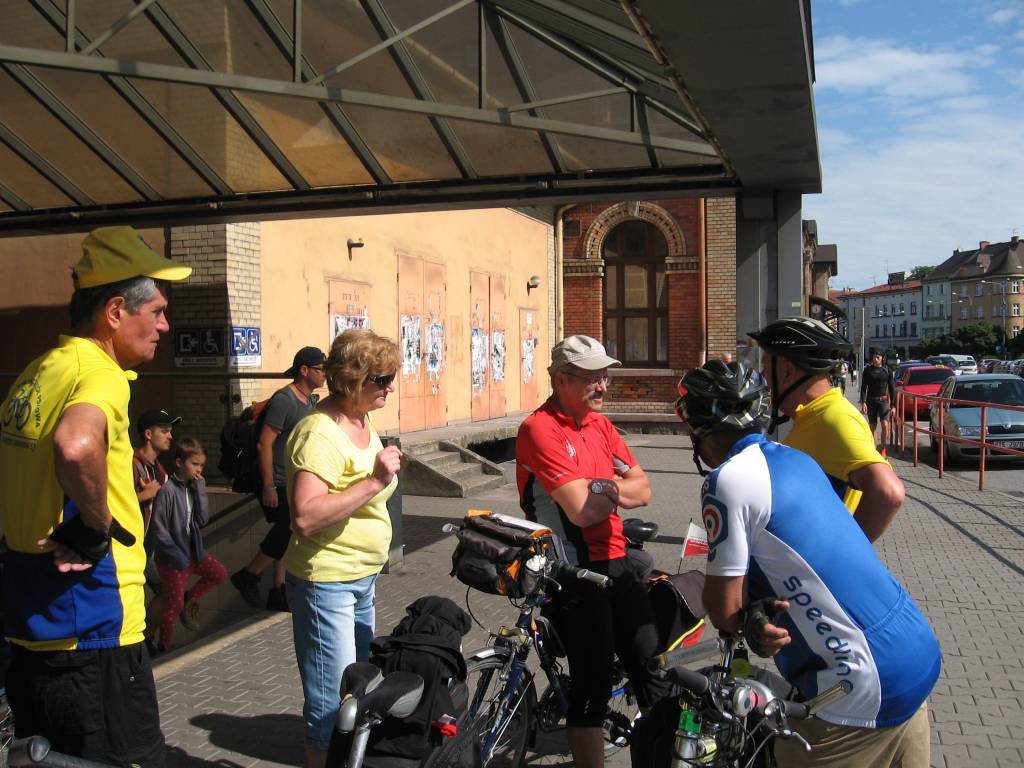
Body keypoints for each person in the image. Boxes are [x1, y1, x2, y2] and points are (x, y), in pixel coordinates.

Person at [674, 360, 940, 768]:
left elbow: (724, 611)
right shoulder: (798, 459)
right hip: (913, 650)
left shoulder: (726, 481)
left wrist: (744, 614)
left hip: (861, 681)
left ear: (699, 430)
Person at [0, 226, 191, 767]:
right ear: (114, 312)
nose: (164, 324)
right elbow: (75, 444)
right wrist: (94, 522)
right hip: (95, 627)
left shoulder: (39, 372)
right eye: (156, 311)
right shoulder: (101, 375)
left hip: (34, 620)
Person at [515, 334, 667, 768]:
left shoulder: (600, 425)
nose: (603, 386)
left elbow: (645, 488)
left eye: (605, 377)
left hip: (617, 559)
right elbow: (582, 512)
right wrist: (614, 491)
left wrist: (604, 488)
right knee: (592, 686)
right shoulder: (539, 429)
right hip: (572, 571)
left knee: (650, 667)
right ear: (562, 379)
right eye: (592, 378)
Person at [283, 329, 401, 768]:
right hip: (327, 583)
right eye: (382, 379)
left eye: (391, 377)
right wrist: (374, 481)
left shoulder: (361, 418)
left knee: (356, 690)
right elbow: (306, 517)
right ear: (352, 380)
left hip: (360, 577)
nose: (390, 387)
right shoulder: (319, 433)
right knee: (330, 703)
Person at [749, 319, 904, 542]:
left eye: (765, 367)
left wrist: (844, 553)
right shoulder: (812, 415)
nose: (763, 377)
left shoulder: (835, 418)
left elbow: (888, 492)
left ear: (787, 370)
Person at [230, 346, 326, 611]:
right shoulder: (285, 400)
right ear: (304, 370)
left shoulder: (309, 401)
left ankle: (279, 589)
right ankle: (250, 573)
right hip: (279, 479)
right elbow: (264, 443)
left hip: (294, 477)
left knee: (287, 532)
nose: (325, 374)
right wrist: (269, 485)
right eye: (321, 369)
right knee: (290, 527)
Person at [149, 437, 227, 651]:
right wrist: (176, 555)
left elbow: (202, 519)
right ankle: (164, 644)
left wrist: (201, 489)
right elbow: (159, 527)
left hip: (193, 552)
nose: (198, 469)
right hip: (173, 559)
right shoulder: (167, 491)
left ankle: (189, 598)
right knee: (173, 604)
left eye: (201, 465)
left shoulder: (193, 487)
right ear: (179, 463)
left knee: (219, 573)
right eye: (194, 464)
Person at [132, 408, 180, 648]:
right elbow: (110, 506)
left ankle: (145, 640)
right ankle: (139, 643)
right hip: (132, 547)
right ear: (148, 434)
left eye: (170, 430)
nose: (170, 436)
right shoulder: (131, 465)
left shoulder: (159, 470)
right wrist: (143, 496)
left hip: (149, 546)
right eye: (164, 431)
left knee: (169, 591)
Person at [859, 349, 897, 457]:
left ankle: (883, 448)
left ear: (882, 358)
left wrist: (893, 405)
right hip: (871, 400)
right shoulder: (867, 370)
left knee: (885, 425)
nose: (875, 359)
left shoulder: (887, 370)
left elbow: (892, 388)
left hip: (883, 400)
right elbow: (863, 387)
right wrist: (863, 402)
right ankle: (874, 449)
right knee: (872, 426)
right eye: (874, 357)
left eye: (878, 357)